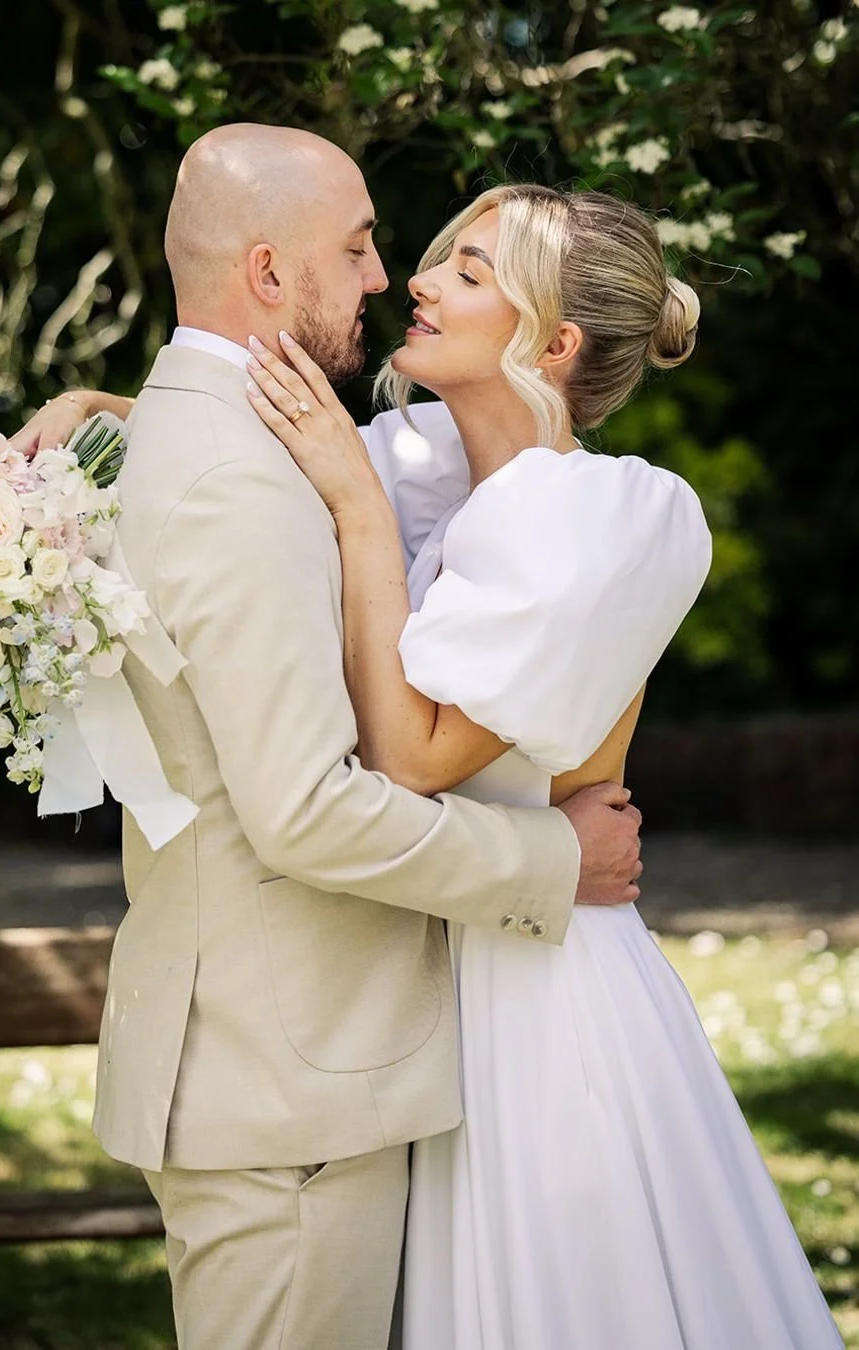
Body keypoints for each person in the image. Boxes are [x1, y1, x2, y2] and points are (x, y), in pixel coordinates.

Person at [9, 125, 645, 1350]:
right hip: (286, 1094)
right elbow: (304, 809)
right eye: (356, 247)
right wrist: (559, 862)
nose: (381, 274)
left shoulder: (219, 436)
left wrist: (92, 407)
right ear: (265, 272)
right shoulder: (241, 480)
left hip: (291, 1067)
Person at [245, 182, 844, 1349]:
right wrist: (86, 415)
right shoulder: (419, 465)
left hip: (533, 997)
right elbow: (240, 461)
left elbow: (412, 759)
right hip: (406, 979)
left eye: (468, 275)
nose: (416, 283)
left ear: (553, 344)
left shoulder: (603, 515)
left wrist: (359, 518)